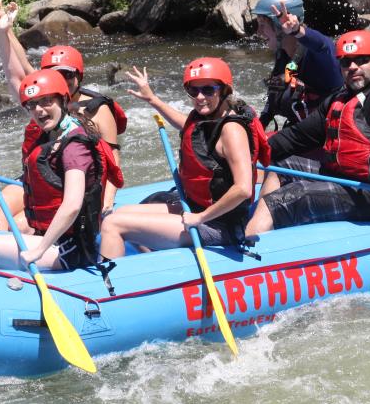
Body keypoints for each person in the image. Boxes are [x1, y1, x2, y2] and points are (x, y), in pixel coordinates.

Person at [245, 20, 370, 236]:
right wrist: (250, 153)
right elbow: (296, 137)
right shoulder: (339, 99)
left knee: (287, 197)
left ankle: (251, 248)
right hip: (339, 177)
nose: (353, 67)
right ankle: (260, 225)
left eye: (361, 60)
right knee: (281, 166)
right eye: (346, 63)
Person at [98, 58, 270, 259]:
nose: (199, 97)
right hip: (196, 209)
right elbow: (187, 125)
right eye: (193, 90)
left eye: (208, 90)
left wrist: (200, 218)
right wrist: (153, 99)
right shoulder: (206, 117)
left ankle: (111, 286)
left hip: (219, 224)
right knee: (119, 214)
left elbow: (243, 189)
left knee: (112, 224)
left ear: (224, 90)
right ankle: (155, 264)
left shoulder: (232, 130)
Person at [0, 70, 122, 270]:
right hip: (54, 239)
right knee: (12, 229)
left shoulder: (74, 147)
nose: (39, 110)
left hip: (70, 250)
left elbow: (72, 205)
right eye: (32, 105)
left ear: (62, 100)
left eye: (46, 101)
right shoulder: (52, 136)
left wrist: (39, 250)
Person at [0, 1, 126, 231]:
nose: (60, 79)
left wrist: (107, 203)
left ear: (79, 76)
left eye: (67, 75)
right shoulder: (45, 101)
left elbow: (112, 160)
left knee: (18, 226)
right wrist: (6, 30)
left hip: (70, 181)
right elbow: (20, 68)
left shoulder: (98, 109)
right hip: (42, 176)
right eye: (54, 75)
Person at [253, 0, 342, 132]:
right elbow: (271, 103)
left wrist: (297, 30)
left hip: (329, 137)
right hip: (299, 135)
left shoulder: (318, 55)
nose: (258, 32)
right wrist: (255, 135)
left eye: (263, 25)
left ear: (279, 27)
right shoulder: (284, 56)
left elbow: (324, 45)